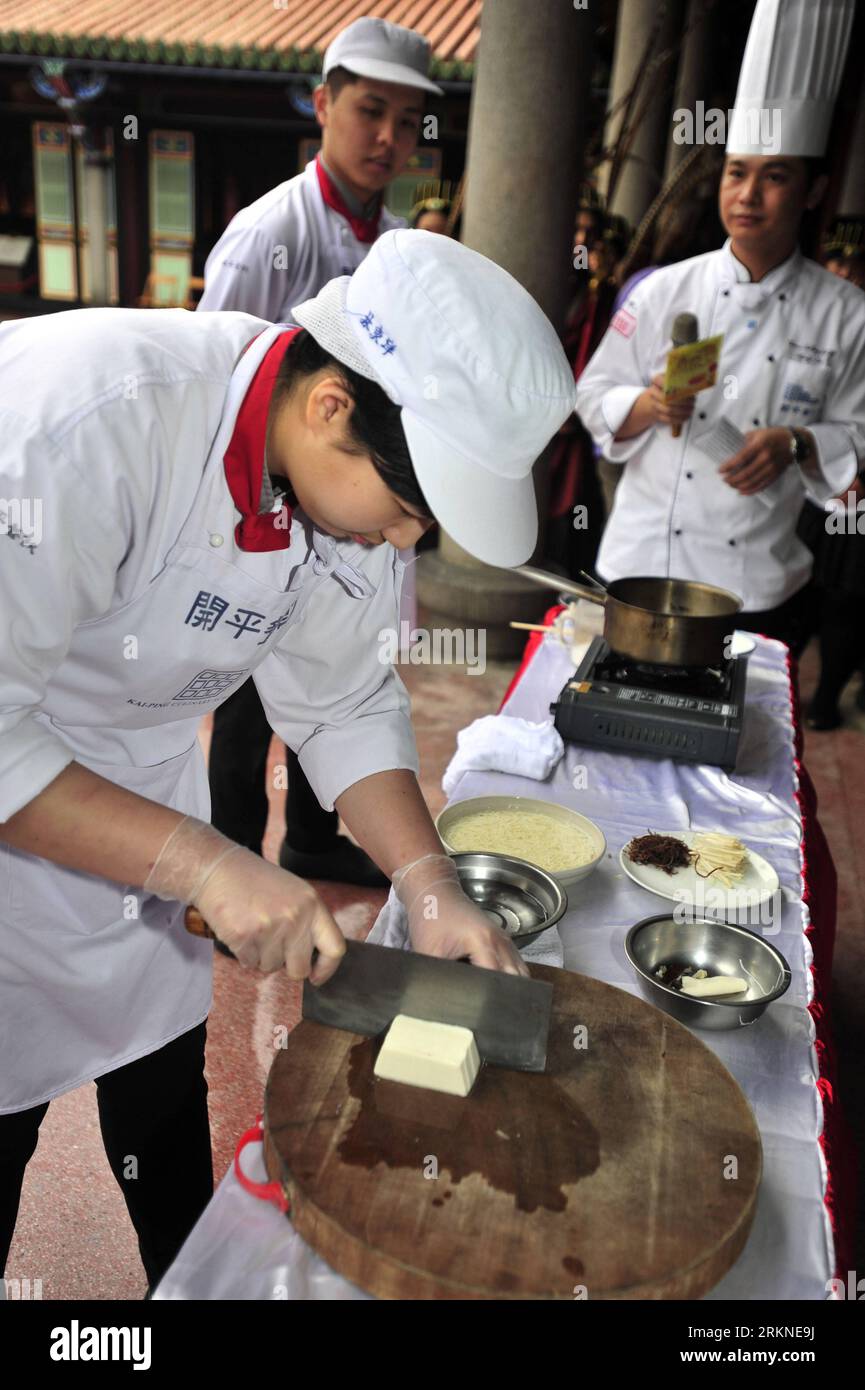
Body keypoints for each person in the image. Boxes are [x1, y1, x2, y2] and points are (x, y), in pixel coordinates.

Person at [0, 229, 576, 1290]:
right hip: (22, 828)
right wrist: (212, 863)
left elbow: (343, 698)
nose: (404, 543)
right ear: (330, 407)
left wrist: (429, 884)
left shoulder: (328, 499)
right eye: (407, 510)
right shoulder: (86, 422)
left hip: (139, 815)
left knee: (163, 1108)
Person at [198, 17, 441, 890]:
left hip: (348, 514)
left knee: (332, 679)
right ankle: (228, 865)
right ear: (323, 103)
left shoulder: (399, 245)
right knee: (243, 702)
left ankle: (310, 836)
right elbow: (218, 372)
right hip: (256, 514)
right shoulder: (270, 234)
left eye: (408, 122)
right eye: (370, 110)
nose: (387, 138)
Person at [576, 0, 864, 658]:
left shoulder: (846, 315)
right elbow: (590, 397)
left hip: (758, 585)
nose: (746, 195)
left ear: (812, 191)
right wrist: (647, 405)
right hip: (642, 567)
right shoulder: (662, 290)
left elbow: (858, 434)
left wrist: (795, 441)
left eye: (773, 178)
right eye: (736, 173)